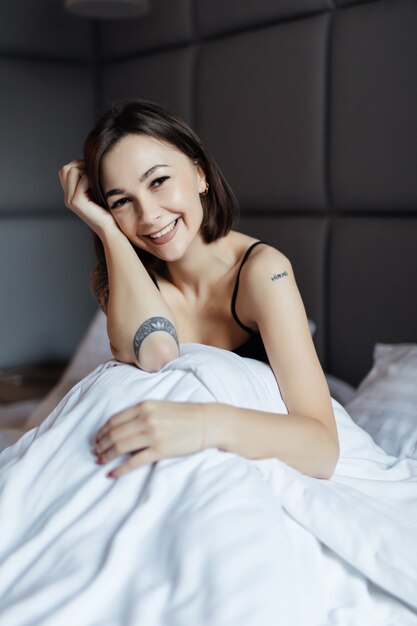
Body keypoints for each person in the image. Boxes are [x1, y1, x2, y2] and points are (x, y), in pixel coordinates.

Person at [58, 99, 339, 482]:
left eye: (158, 181)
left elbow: (323, 448)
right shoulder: (126, 279)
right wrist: (107, 229)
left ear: (200, 173)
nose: (149, 216)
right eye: (121, 201)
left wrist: (206, 424)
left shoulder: (263, 272)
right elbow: (157, 352)